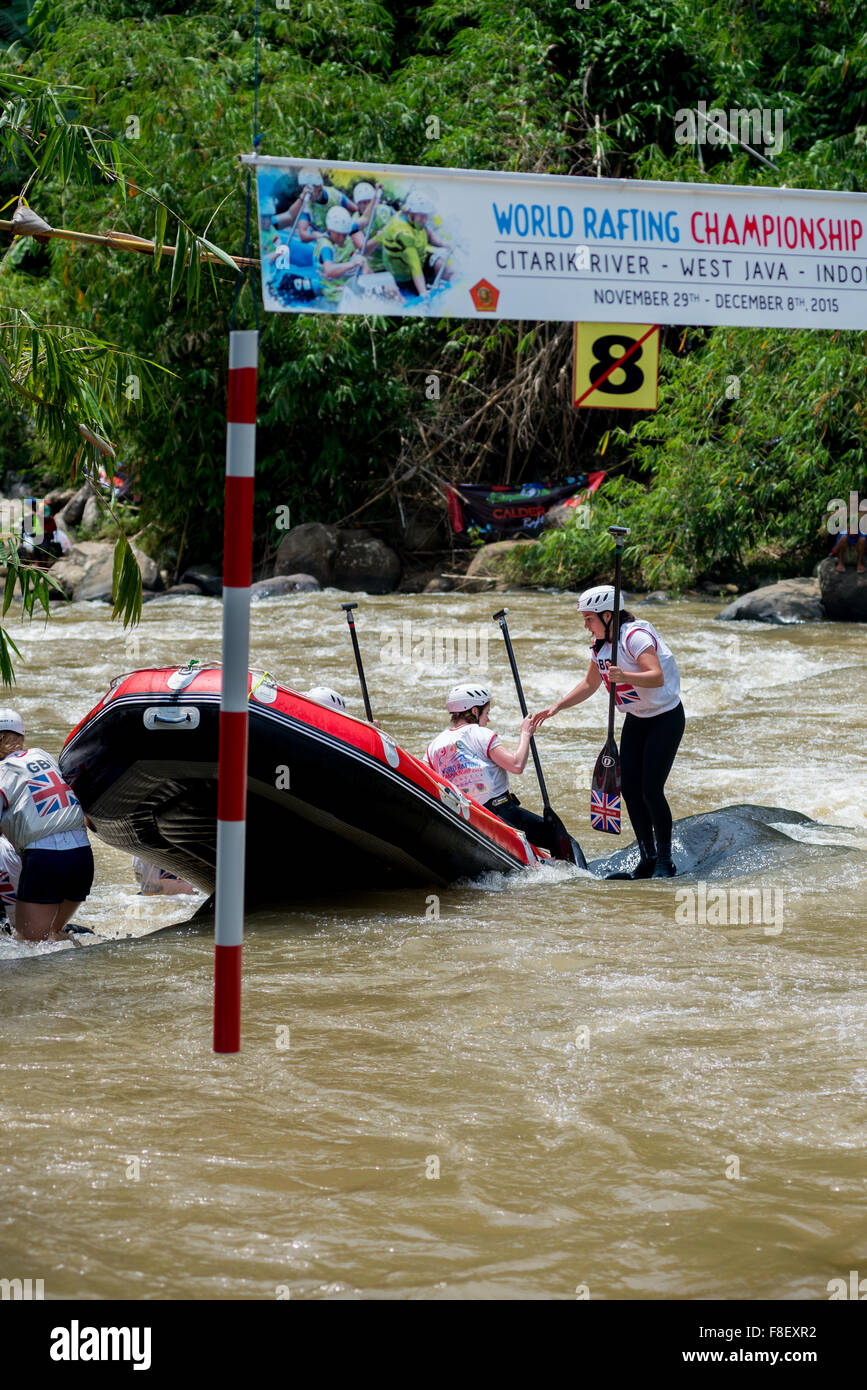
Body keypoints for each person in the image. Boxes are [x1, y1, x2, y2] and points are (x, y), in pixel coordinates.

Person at [532, 587, 685, 877]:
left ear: (607, 615)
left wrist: (624, 676)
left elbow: (656, 675)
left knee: (651, 790)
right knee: (628, 789)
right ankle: (647, 855)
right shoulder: (601, 645)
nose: (586, 625)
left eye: (589, 618)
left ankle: (665, 858)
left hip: (665, 718)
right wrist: (557, 707)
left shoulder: (634, 636)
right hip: (637, 720)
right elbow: (590, 684)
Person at [425, 684, 557, 852]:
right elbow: (516, 765)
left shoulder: (433, 746)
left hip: (468, 820)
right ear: (474, 711)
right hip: (501, 813)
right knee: (559, 838)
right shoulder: (481, 733)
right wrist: (525, 733)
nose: (488, 719)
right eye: (487, 713)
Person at [0, 709, 94, 940]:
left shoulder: (2, 772)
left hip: (46, 859)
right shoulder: (43, 755)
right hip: (82, 857)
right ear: (20, 737)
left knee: (27, 943)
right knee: (53, 935)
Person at [377, 191, 453, 301]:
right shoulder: (403, 232)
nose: (424, 219)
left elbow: (429, 233)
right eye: (422, 216)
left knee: (442, 264)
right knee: (393, 291)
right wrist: (423, 293)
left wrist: (444, 244)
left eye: (425, 216)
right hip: (401, 275)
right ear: (411, 213)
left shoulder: (416, 220)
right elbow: (415, 266)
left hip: (418, 263)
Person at [312, 206, 370, 303]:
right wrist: (353, 263)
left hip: (348, 284)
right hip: (331, 292)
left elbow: (365, 219)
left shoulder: (345, 229)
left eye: (344, 234)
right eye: (339, 234)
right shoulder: (325, 246)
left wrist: (376, 196)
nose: (342, 238)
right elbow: (329, 270)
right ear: (330, 230)